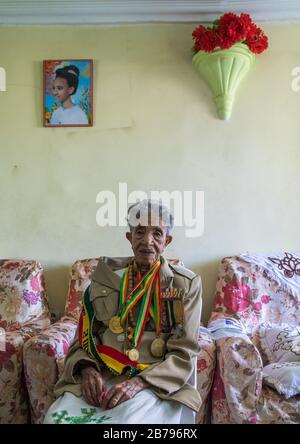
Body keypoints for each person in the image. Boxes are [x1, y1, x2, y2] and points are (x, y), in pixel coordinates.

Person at [44, 199, 202, 424]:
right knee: (53, 420)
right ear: (130, 238)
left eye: (157, 233)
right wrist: (88, 369)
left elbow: (184, 352)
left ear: (167, 241)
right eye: (140, 232)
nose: (147, 241)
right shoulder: (102, 281)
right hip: (104, 373)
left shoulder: (184, 285)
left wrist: (139, 383)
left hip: (154, 380)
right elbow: (82, 341)